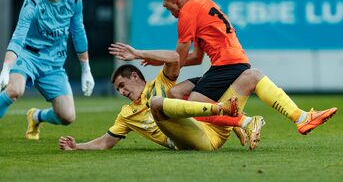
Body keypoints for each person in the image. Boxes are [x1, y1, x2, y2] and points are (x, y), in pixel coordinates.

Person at [159, 0, 337, 147]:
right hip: (233, 62)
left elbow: (179, 55)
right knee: (176, 93)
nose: (164, 6)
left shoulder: (187, 11)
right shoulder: (203, 4)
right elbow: (197, 57)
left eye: (165, 1)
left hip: (225, 65)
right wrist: (164, 60)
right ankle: (301, 117)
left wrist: (166, 67)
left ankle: (242, 122)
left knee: (194, 108)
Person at [59, 43, 256, 151]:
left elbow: (175, 57)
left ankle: (234, 119)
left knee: (248, 76)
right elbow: (105, 143)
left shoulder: (161, 83)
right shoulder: (127, 114)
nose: (121, 92)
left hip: (206, 130)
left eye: (122, 85)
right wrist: (77, 147)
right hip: (185, 141)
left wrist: (137, 54)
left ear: (135, 76)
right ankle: (234, 118)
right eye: (118, 90)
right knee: (160, 103)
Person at [0, 0, 95, 140]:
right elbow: (18, 36)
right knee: (14, 90)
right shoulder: (32, 2)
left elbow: (78, 33)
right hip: (28, 57)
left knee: (67, 117)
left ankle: (36, 116)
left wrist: (86, 69)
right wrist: (6, 68)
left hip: (54, 64)